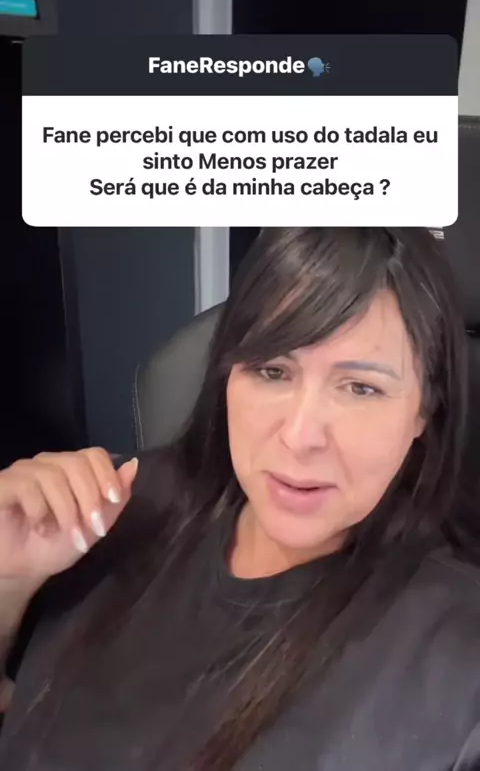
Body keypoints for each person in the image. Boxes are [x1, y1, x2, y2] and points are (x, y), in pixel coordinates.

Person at [0, 226, 479, 771]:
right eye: (273, 371)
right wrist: (10, 580)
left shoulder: (456, 653)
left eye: (360, 388)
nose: (299, 436)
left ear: (424, 411)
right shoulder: (111, 507)